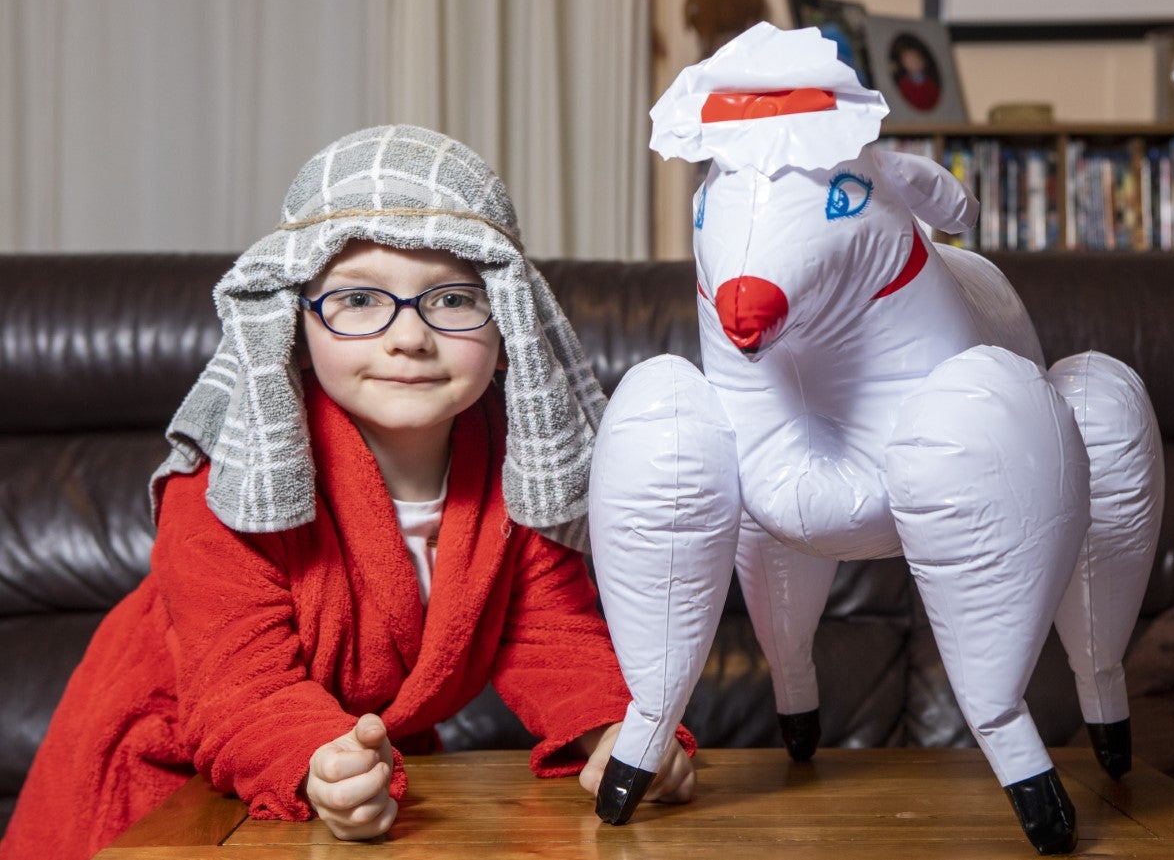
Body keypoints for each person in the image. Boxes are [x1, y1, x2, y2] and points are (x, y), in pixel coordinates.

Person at [0, 125, 695, 860]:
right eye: (359, 299)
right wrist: (320, 762)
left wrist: (620, 729)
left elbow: (547, 631)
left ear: (510, 322)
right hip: (178, 775)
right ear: (296, 325)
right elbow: (241, 686)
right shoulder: (227, 477)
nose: (409, 338)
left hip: (353, 763)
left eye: (455, 299)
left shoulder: (519, 459)